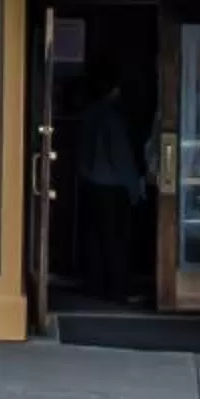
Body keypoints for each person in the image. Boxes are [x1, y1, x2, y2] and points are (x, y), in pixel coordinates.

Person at [71, 71, 149, 302]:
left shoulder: (89, 115)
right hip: (112, 187)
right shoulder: (113, 118)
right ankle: (119, 289)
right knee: (116, 240)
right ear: (115, 90)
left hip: (90, 183)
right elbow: (121, 158)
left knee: (94, 238)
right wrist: (135, 191)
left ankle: (95, 285)